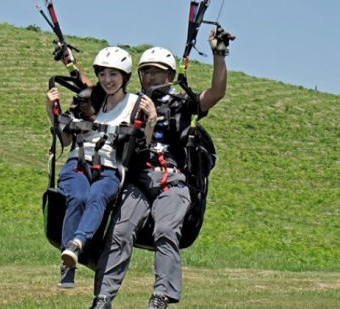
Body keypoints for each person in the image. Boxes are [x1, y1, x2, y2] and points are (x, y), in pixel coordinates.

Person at [89, 24, 232, 309]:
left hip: (173, 181)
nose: (152, 76)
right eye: (147, 71)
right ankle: (102, 298)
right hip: (138, 181)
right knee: (120, 232)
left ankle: (161, 297)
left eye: (158, 71)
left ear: (169, 75)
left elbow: (216, 92)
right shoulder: (128, 103)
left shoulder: (183, 104)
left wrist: (219, 54)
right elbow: (95, 93)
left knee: (166, 231)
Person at [46, 46, 156, 289]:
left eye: (113, 75)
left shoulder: (136, 104)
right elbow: (65, 140)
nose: (107, 80)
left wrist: (152, 121)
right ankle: (68, 261)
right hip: (78, 162)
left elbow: (144, 146)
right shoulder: (88, 99)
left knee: (97, 196)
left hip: (110, 168)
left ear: (125, 77)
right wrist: (51, 110)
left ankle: (75, 246)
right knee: (77, 196)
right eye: (103, 74)